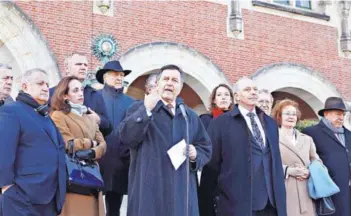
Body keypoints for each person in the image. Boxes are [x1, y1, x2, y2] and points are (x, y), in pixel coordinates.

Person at [119, 64, 212, 216]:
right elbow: (126, 137)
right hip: (149, 191)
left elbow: (205, 146)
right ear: (158, 84)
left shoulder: (190, 116)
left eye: (175, 80)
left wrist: (196, 154)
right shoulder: (139, 108)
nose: (169, 83)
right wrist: (146, 110)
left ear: (180, 87)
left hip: (181, 193)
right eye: (166, 79)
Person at [205, 77, 286, 216]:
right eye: (247, 89)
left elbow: (275, 163)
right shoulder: (220, 123)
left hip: (271, 203)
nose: (253, 92)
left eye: (255, 89)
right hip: (237, 204)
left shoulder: (270, 123)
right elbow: (211, 166)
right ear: (236, 96)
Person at [0, 68, 66, 215]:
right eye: (40, 83)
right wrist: (7, 188)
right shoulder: (11, 111)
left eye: (47, 84)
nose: (45, 88)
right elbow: (3, 153)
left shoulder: (45, 115)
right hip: (21, 198)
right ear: (25, 87)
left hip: (49, 199)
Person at [50, 76, 107, 216]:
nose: (81, 93)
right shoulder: (58, 115)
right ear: (64, 95)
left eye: (81, 90)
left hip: (93, 174)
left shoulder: (89, 116)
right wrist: (91, 143)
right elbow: (68, 143)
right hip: (74, 174)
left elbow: (103, 144)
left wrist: (93, 153)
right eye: (75, 90)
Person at [95, 60, 135, 216]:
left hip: (120, 162)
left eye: (121, 75)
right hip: (97, 161)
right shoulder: (94, 98)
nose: (119, 77)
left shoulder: (131, 103)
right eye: (115, 74)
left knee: (114, 209)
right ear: (105, 77)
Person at [303, 97, 351, 216]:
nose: (341, 118)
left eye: (343, 115)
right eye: (338, 114)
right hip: (329, 190)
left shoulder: (349, 134)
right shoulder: (311, 132)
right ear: (326, 114)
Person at [272, 99, 321, 216]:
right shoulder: (272, 138)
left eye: (294, 114)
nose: (291, 116)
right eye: (287, 113)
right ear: (279, 116)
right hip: (285, 188)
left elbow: (317, 161)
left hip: (306, 190)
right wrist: (288, 170)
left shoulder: (307, 139)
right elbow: (268, 163)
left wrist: (309, 172)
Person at [49, 52, 112, 136]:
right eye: (78, 64)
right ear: (67, 68)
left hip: (90, 146)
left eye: (85, 65)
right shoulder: (52, 93)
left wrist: (98, 119)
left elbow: (108, 128)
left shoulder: (95, 95)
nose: (83, 67)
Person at [198, 83, 234, 216]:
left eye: (226, 95)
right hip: (211, 171)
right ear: (214, 100)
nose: (223, 98)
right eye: (219, 95)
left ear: (231, 99)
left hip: (232, 172)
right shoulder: (206, 119)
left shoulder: (239, 121)